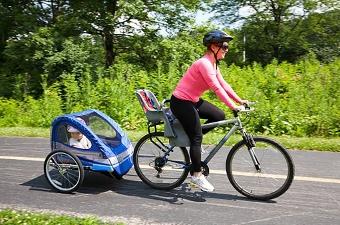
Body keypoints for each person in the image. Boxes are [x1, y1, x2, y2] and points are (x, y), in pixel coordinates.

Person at [170, 30, 249, 192]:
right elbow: (216, 88)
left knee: (218, 115)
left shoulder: (213, 63)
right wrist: (232, 106)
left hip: (192, 100)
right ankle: (196, 175)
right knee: (197, 137)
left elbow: (224, 84)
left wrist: (239, 100)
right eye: (224, 46)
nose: (227, 50)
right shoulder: (204, 64)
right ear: (214, 46)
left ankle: (194, 144)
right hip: (180, 102)